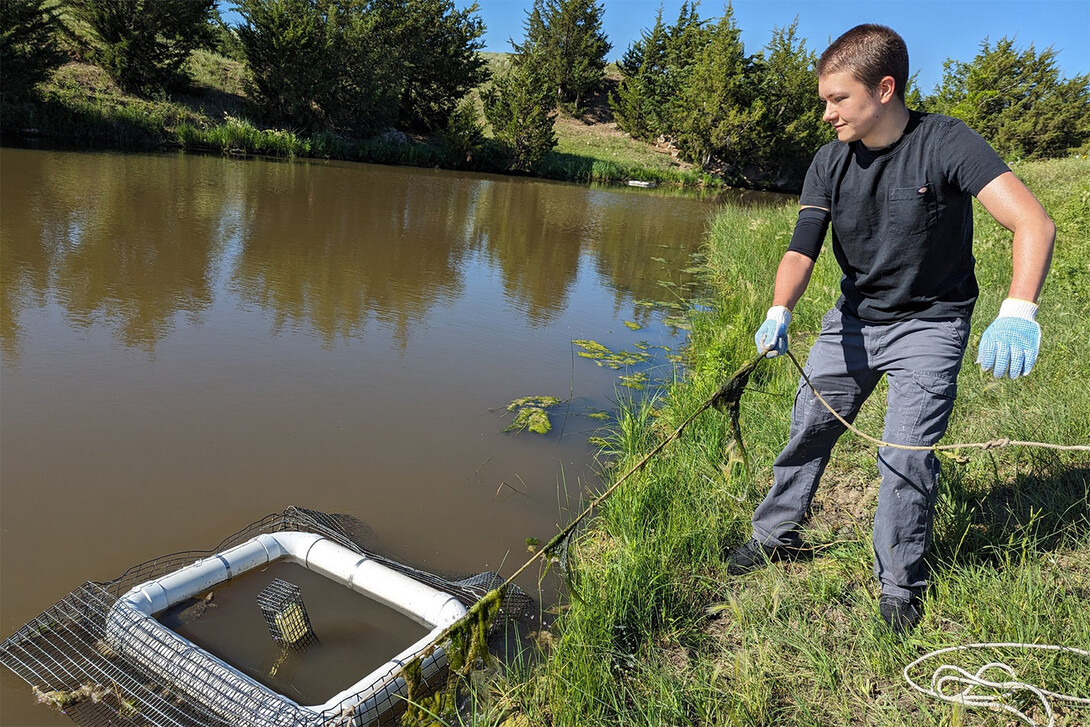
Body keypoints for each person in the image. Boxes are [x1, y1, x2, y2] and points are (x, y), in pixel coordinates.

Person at [723, 24, 1055, 635]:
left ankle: (900, 584)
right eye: (823, 100)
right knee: (810, 426)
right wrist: (779, 308)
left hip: (930, 323)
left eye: (837, 99)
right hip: (852, 320)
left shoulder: (947, 142)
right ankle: (775, 535)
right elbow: (802, 249)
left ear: (884, 88)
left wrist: (1018, 309)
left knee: (905, 458)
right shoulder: (829, 161)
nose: (825, 113)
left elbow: (1032, 221)